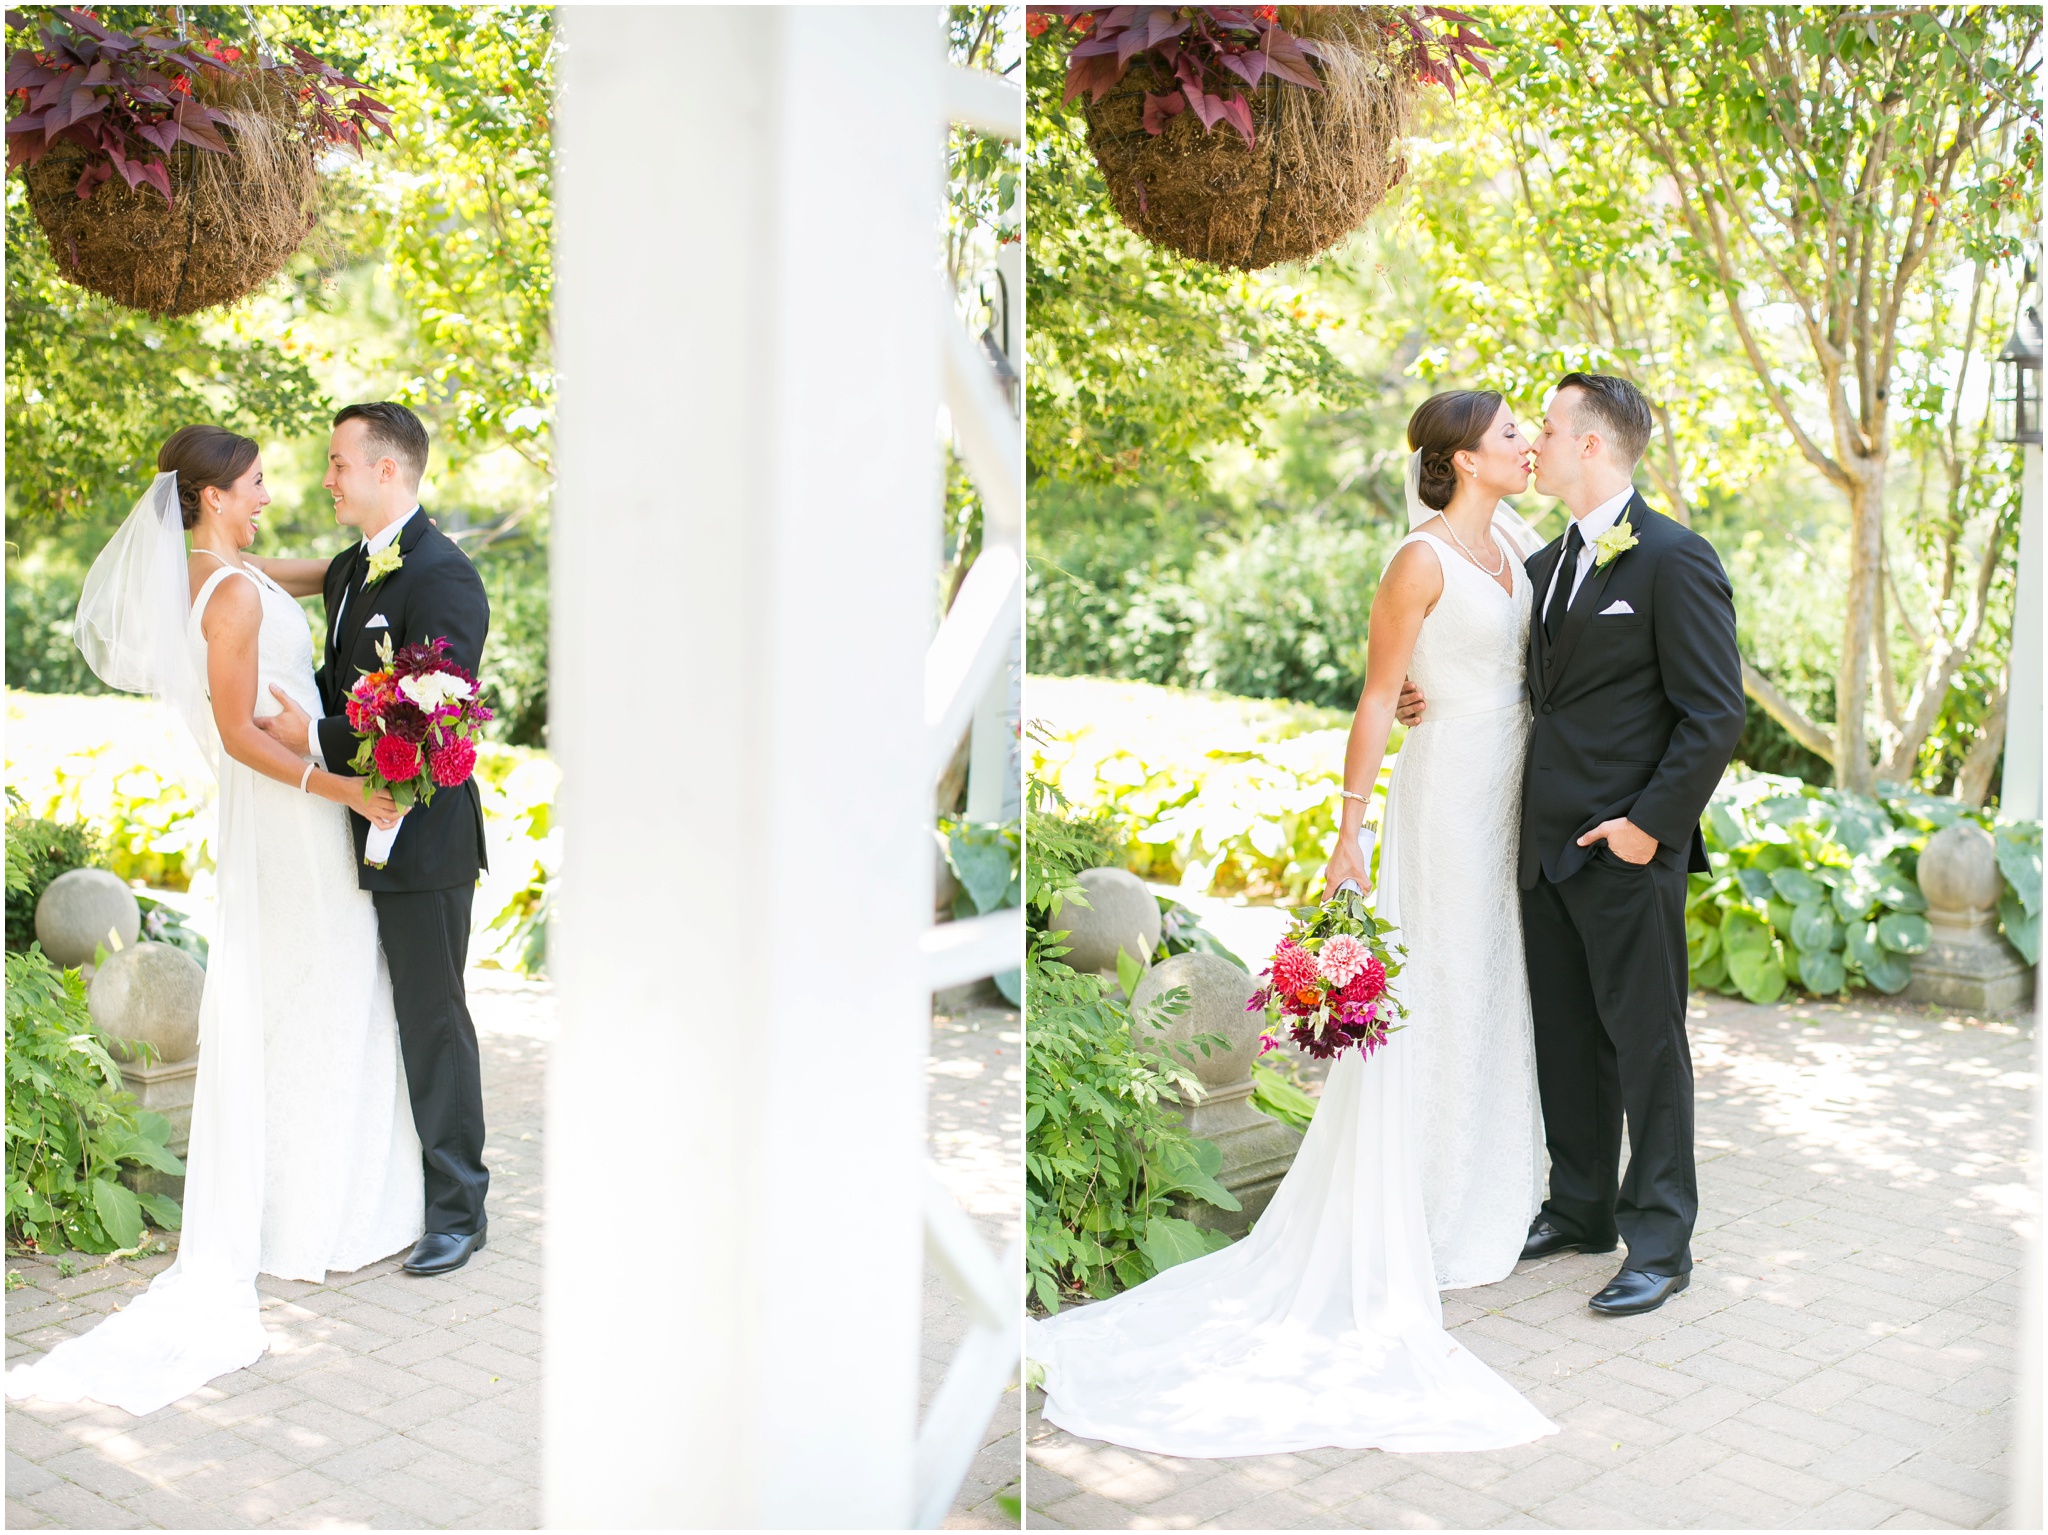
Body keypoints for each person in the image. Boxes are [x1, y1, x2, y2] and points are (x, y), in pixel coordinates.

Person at [1025, 390, 1558, 1458]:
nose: (1527, 444)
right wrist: (1347, 833)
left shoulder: (1516, 536)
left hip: (1515, 780)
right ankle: (1424, 1208)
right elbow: (1376, 695)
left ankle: (1496, 1193)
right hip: (1445, 788)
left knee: (1498, 981)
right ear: (1458, 456)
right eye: (1509, 433)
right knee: (1443, 982)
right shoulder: (1417, 560)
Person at [7, 426, 423, 1417]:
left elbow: (326, 570)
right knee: (316, 985)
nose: (271, 493)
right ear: (210, 497)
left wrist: (402, 531)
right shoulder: (228, 594)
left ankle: (334, 1202)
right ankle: (306, 1219)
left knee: (324, 983)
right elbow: (239, 735)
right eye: (255, 482)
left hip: (300, 808)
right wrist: (348, 789)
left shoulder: (234, 570)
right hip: (287, 811)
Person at [252, 402, 494, 1277]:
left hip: (423, 839)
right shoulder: (355, 566)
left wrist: (310, 741)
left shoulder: (446, 577)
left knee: (435, 1021)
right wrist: (213, 559)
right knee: (380, 1015)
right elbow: (321, 634)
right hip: (350, 822)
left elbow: (439, 725)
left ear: (387, 470)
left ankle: (461, 1210)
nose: (327, 477)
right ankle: (389, 1188)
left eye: (338, 462)